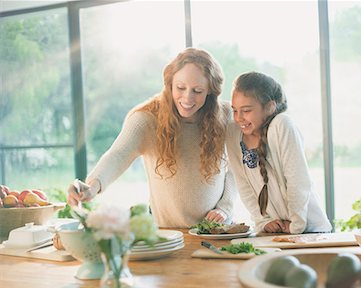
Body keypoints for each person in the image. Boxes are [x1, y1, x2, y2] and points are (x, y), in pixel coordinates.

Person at [67, 48, 237, 228]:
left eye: (197, 90)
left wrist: (225, 208)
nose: (187, 97)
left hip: (216, 231)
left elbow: (237, 169)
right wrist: (92, 186)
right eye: (180, 88)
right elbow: (117, 155)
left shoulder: (226, 115)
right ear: (170, 83)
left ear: (210, 90)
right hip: (166, 233)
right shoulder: (147, 118)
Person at [226, 71, 332, 234]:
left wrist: (296, 224)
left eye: (246, 110)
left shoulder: (282, 125)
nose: (238, 118)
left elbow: (298, 180)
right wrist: (263, 221)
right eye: (235, 110)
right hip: (276, 232)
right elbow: (243, 184)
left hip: (310, 230)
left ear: (269, 107)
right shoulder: (234, 133)